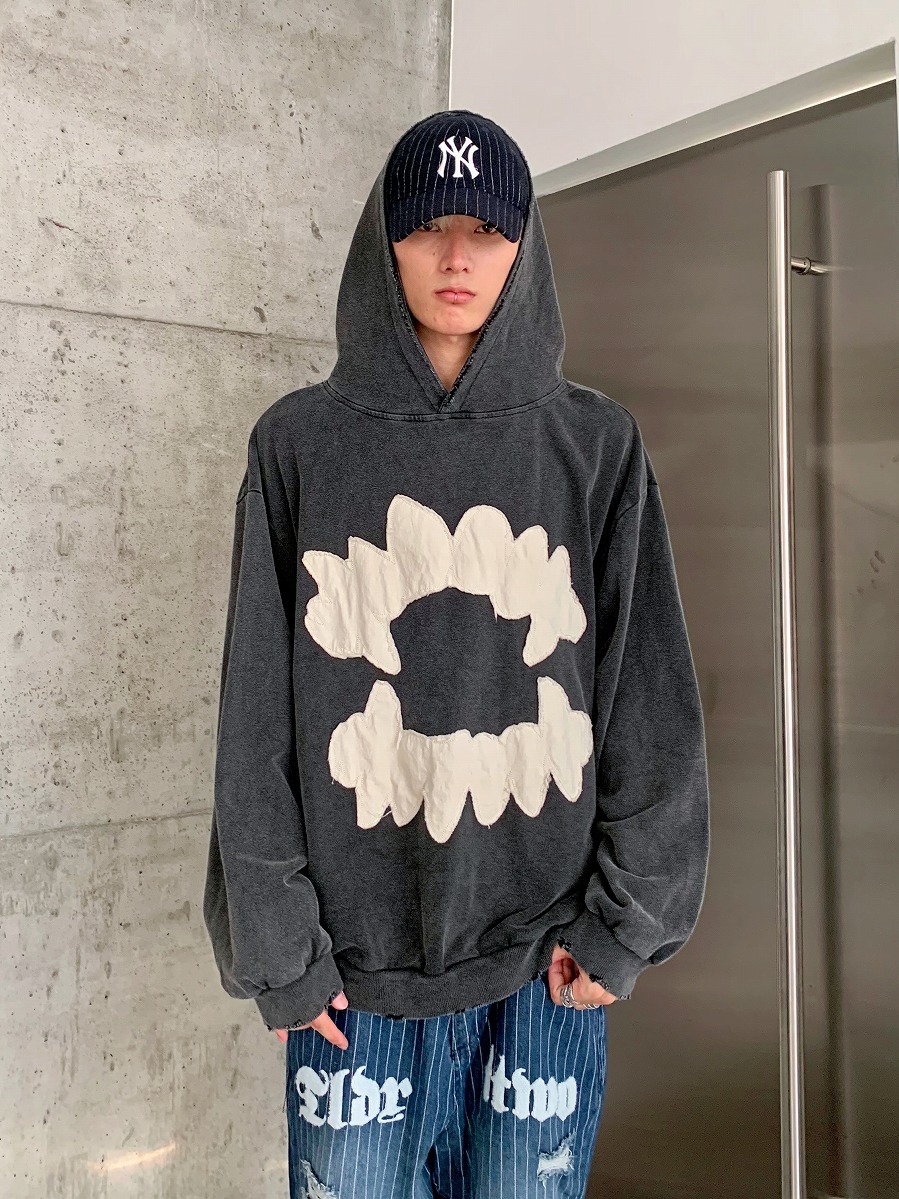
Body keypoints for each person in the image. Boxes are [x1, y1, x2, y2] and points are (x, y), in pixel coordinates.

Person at [203, 109, 710, 1197]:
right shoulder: (298, 445)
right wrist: (280, 949)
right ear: (382, 240)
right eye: (428, 226)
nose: (455, 257)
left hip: (546, 968)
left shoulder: (593, 445)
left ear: (522, 246)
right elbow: (254, 716)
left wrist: (625, 926)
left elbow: (647, 697)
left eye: (486, 230)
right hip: (354, 981)